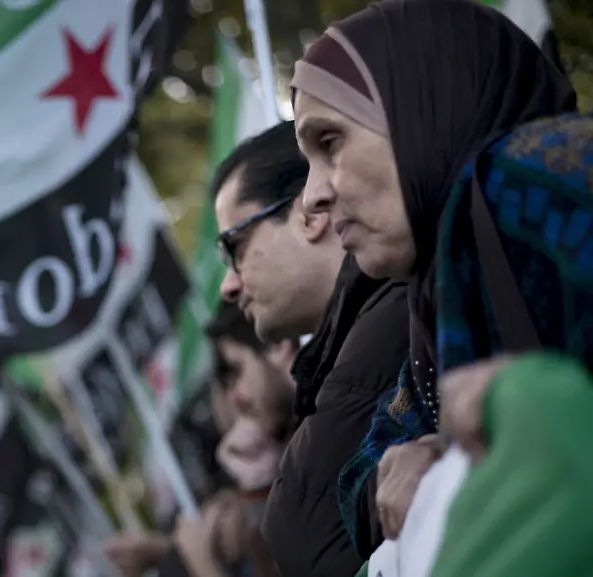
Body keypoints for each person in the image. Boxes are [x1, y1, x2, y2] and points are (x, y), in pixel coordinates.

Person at [290, 0, 583, 547]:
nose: (312, 197)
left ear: (426, 107)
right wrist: (429, 454)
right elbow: (364, 478)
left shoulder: (533, 176)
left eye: (329, 143)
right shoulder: (439, 299)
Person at [214, 120, 410, 576]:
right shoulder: (359, 334)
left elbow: (307, 542)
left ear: (309, 211)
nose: (228, 285)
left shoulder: (395, 313)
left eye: (235, 247)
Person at [103, 302, 296, 577]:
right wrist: (166, 551)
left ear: (278, 348)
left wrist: (202, 560)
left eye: (236, 370)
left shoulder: (322, 438)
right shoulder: (286, 456)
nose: (235, 398)